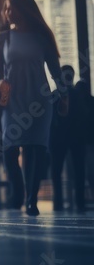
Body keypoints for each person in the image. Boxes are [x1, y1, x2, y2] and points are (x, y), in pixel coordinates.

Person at [0, 0, 68, 216]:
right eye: (5, 9)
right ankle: (19, 191)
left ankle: (31, 200)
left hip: (39, 99)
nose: (7, 13)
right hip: (12, 100)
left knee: (35, 149)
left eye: (11, 8)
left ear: (24, 10)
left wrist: (64, 97)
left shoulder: (41, 38)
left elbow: (56, 72)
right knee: (9, 150)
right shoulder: (3, 39)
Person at [49, 65, 88, 212]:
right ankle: (80, 203)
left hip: (58, 138)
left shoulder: (54, 95)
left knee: (57, 172)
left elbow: (49, 118)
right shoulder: (78, 95)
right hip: (75, 138)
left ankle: (58, 203)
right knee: (79, 171)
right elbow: (84, 116)